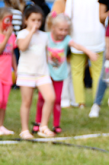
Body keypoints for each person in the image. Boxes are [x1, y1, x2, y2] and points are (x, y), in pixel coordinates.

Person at [34, 14, 99, 135]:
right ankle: (38, 122)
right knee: (42, 99)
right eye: (61, 29)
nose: (63, 32)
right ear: (53, 27)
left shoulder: (66, 39)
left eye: (66, 30)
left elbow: (77, 46)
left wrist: (89, 52)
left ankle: (56, 124)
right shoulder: (46, 37)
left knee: (57, 99)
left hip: (59, 75)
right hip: (46, 74)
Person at [15, 6, 57, 139]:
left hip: (42, 72)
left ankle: (43, 126)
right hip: (26, 73)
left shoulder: (44, 36)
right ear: (26, 20)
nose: (36, 23)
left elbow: (48, 52)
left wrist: (54, 57)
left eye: (39, 20)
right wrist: (31, 32)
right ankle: (24, 130)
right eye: (33, 20)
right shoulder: (22, 34)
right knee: (26, 102)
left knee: (50, 97)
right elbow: (22, 47)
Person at [64, 0, 107, 109]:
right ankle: (97, 102)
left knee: (77, 72)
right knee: (98, 72)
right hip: (97, 36)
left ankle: (80, 102)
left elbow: (67, 16)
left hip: (77, 35)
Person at [0, 8, 17, 136]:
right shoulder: (5, 36)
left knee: (4, 102)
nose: (8, 23)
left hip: (7, 74)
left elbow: (11, 54)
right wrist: (6, 37)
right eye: (6, 20)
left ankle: (1, 126)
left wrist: (16, 69)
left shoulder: (12, 36)